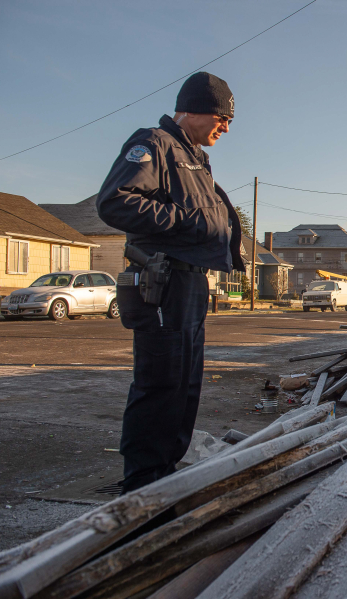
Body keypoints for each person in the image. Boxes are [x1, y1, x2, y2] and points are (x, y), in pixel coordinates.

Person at [96, 72, 244, 493]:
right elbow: (115, 201)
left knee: (186, 379)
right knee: (161, 380)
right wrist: (186, 221)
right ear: (195, 108)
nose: (226, 127)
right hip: (162, 282)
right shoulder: (155, 144)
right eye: (222, 117)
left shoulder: (194, 156)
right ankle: (143, 481)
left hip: (191, 284)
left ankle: (167, 471)